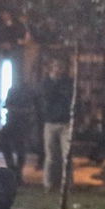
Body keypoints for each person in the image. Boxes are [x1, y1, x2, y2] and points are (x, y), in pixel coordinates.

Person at [37, 58, 73, 192]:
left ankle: (67, 184)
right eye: (56, 66)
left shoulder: (67, 83)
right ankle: (48, 184)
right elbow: (46, 97)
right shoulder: (46, 83)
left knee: (67, 155)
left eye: (61, 67)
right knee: (51, 156)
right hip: (51, 122)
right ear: (52, 68)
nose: (59, 69)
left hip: (65, 122)